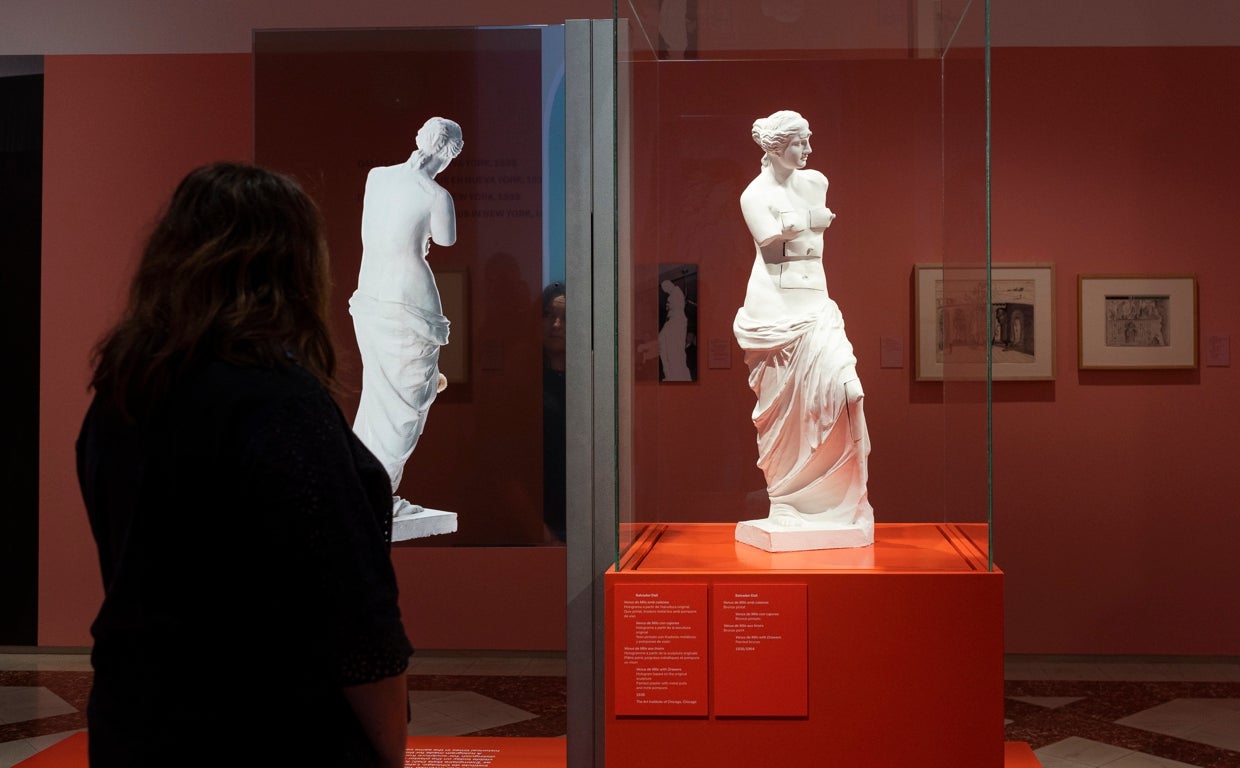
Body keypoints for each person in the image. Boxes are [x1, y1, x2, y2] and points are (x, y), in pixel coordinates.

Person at [76, 162, 413, 767]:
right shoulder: (279, 401)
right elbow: (353, 612)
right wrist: (390, 748)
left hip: (135, 719)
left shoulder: (122, 395)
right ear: (294, 267)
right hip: (265, 730)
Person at [732, 109, 874, 548]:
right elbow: (770, 242)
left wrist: (799, 223)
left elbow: (795, 236)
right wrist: (810, 221)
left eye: (809, 140)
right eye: (800, 142)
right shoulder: (754, 195)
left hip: (817, 306)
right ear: (777, 147)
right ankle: (786, 500)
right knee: (782, 415)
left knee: (848, 391)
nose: (809, 149)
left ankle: (840, 500)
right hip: (774, 311)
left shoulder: (816, 182)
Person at [350, 116, 464, 519]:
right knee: (406, 403)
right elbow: (445, 238)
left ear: (420, 139)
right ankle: (377, 492)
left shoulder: (377, 177)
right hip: (410, 301)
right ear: (450, 154)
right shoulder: (436, 196)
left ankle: (362, 486)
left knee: (379, 395)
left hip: (371, 295)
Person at [541, 281, 568, 543]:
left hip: (582, 511)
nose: (556, 325)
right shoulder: (524, 379)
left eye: (566, 317)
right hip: (539, 513)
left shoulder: (590, 379)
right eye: (549, 315)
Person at [658, 278, 693, 381]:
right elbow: (661, 341)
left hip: (677, 370)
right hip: (669, 371)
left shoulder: (678, 317)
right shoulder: (669, 323)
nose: (667, 304)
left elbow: (678, 300)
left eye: (669, 302)